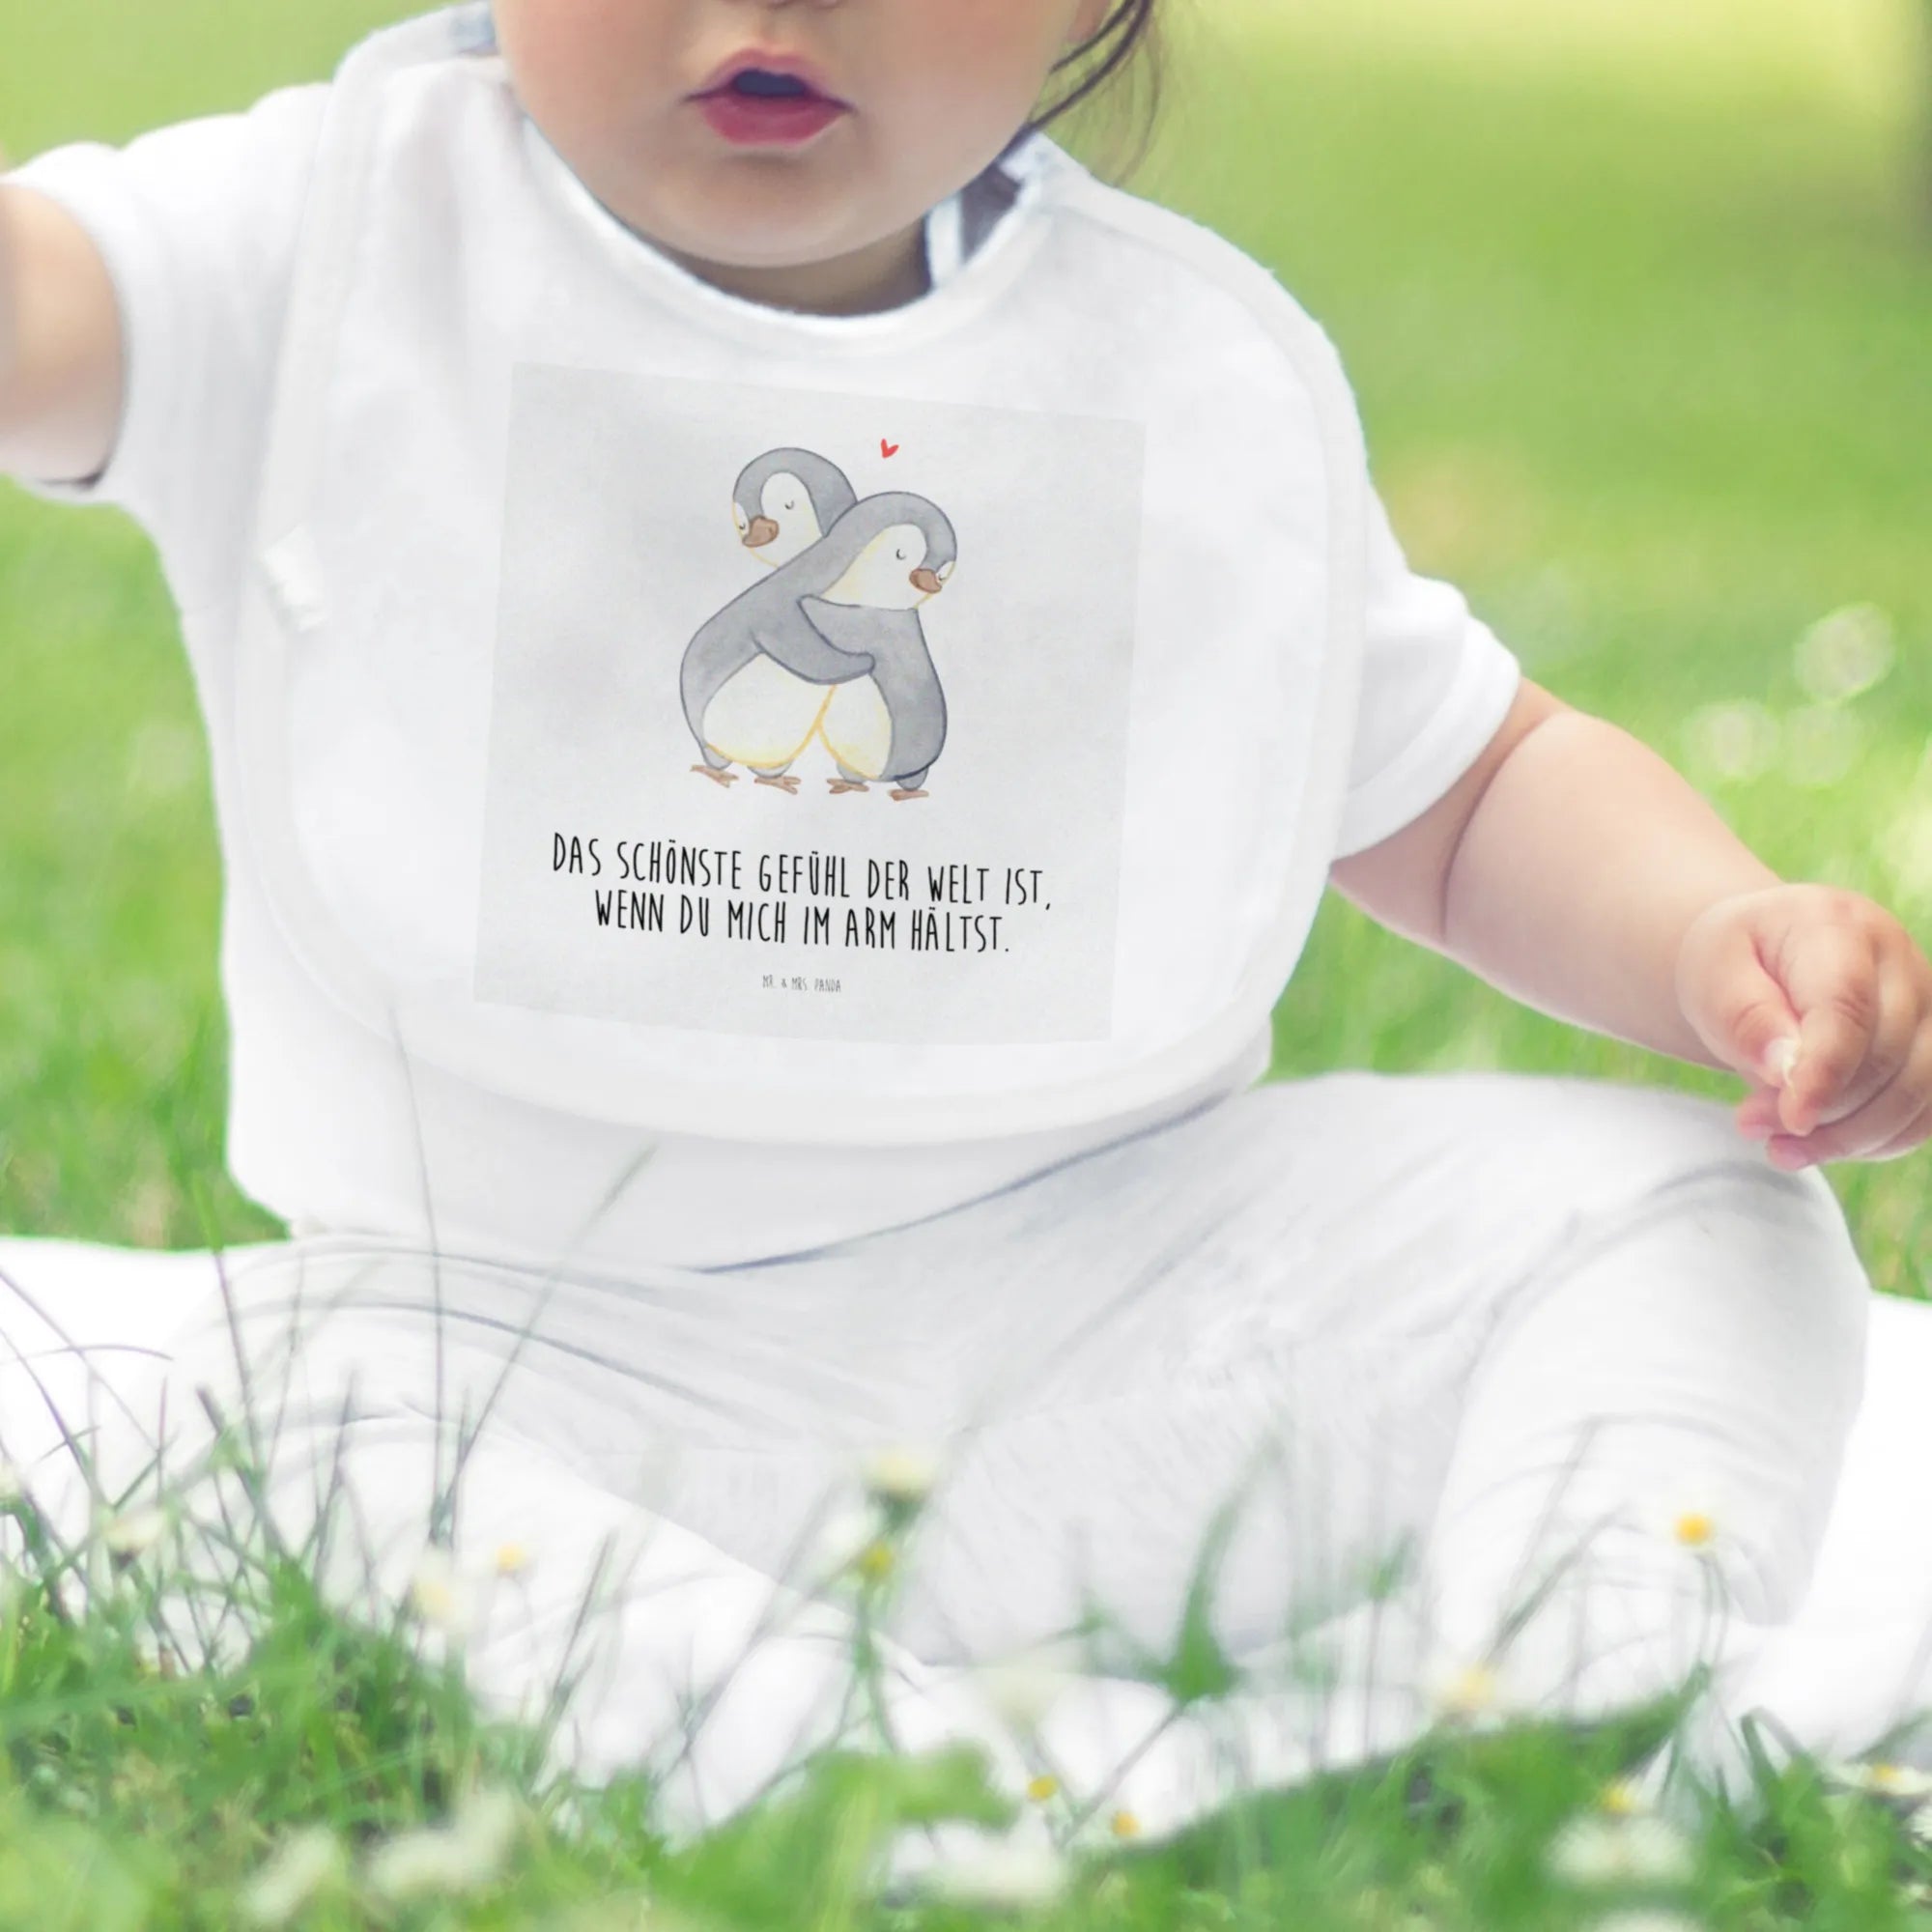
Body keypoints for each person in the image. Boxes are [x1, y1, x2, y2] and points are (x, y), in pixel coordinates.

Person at [2, 0, 1930, 1879]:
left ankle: (1555, 1693)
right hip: (528, 1353)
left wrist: (1712, 930)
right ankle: (915, 1791)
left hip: (1124, 1328)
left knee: (1696, 1206)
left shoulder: (1165, 378)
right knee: (269, 1431)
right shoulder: (315, 248)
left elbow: (1474, 789)